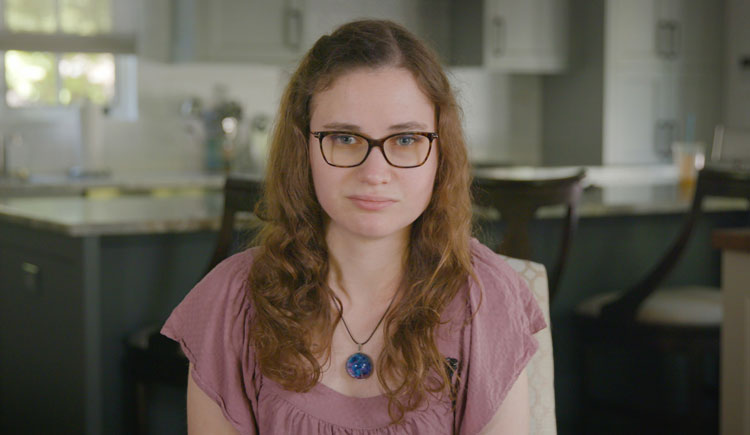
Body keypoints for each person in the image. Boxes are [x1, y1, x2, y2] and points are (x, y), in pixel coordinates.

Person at [161, 19, 547, 434]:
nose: (374, 172)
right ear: (302, 148)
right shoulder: (230, 301)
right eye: (345, 138)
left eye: (405, 139)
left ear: (441, 153)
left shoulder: (486, 298)